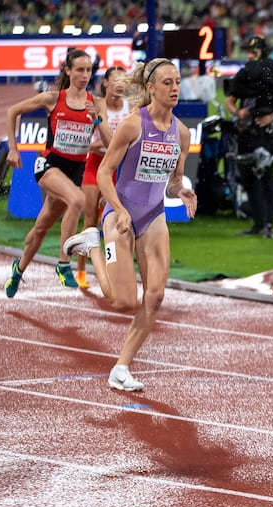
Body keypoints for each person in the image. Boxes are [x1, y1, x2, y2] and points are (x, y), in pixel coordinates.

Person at [63, 58, 198, 391]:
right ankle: (93, 242)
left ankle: (121, 368)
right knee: (122, 301)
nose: (175, 88)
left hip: (153, 216)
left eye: (178, 81)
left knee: (155, 296)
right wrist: (119, 211)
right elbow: (106, 173)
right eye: (167, 82)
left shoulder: (182, 133)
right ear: (151, 88)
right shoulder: (133, 125)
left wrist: (184, 191)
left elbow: (172, 182)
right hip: (118, 216)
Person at [4, 48, 111, 298]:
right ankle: (64, 264)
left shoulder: (96, 103)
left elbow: (110, 141)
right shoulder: (53, 98)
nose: (85, 75)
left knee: (41, 228)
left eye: (89, 70)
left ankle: (18, 270)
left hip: (74, 172)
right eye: (80, 70)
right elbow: (12, 112)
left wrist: (98, 121)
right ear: (68, 71)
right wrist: (13, 148)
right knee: (77, 200)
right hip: (49, 166)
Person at [226, 35, 273, 239]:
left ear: (260, 51)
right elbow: (230, 101)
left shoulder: (270, 72)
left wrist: (271, 117)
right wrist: (240, 113)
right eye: (248, 51)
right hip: (249, 132)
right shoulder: (246, 73)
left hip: (265, 133)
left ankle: (268, 224)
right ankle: (258, 223)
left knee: (266, 178)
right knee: (251, 178)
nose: (250, 55)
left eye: (252, 51)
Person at [76, 66, 132, 288]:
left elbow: (115, 143)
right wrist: (103, 140)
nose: (119, 84)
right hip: (95, 165)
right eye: (115, 80)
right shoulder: (98, 104)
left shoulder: (130, 107)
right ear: (106, 83)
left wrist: (108, 142)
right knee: (90, 220)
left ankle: (113, 272)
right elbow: (91, 141)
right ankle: (81, 271)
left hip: (119, 168)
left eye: (123, 80)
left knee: (115, 223)